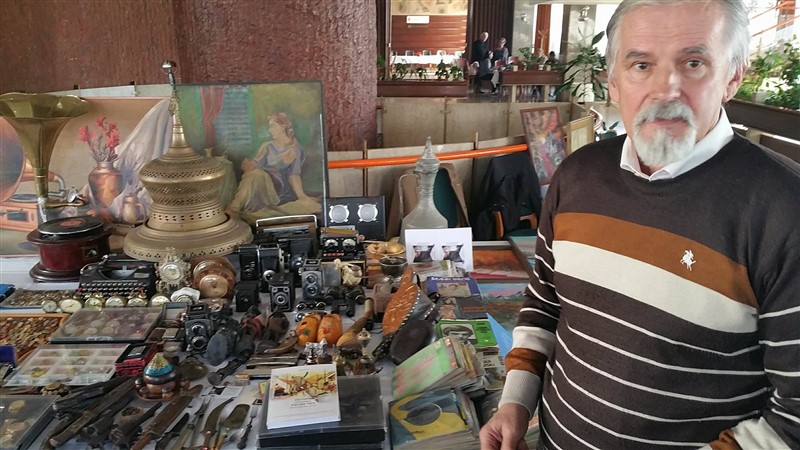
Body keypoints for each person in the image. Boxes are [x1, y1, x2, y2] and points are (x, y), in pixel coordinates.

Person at [480, 1, 800, 449]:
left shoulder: (784, 208)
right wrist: (515, 402)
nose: (665, 89)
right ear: (612, 82)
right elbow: (544, 305)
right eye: (641, 65)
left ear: (733, 77)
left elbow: (794, 416)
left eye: (693, 63)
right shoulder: (576, 176)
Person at [228, 112, 319, 222]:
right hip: (261, 186)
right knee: (254, 173)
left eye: (272, 126)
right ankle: (235, 207)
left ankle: (234, 208)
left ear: (283, 126)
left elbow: (294, 175)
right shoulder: (267, 146)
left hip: (278, 192)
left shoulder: (295, 149)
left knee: (256, 174)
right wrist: (248, 165)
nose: (270, 130)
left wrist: (302, 196)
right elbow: (255, 165)